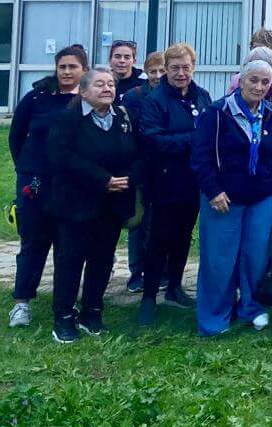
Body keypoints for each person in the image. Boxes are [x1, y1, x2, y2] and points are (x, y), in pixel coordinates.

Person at [191, 59, 272, 335]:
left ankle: (251, 307)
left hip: (265, 196)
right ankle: (214, 319)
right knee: (219, 260)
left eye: (265, 82)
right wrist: (213, 191)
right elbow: (200, 157)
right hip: (224, 197)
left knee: (257, 256)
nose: (259, 87)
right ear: (241, 80)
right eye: (254, 80)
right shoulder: (216, 112)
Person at [45, 66, 140, 342]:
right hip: (77, 203)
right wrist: (102, 179)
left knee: (102, 259)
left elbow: (139, 153)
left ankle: (92, 312)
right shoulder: (69, 118)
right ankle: (63, 316)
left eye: (110, 84)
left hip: (112, 205)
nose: (107, 88)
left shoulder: (123, 117)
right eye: (100, 84)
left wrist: (130, 178)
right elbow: (60, 156)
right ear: (84, 91)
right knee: (71, 260)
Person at [7, 44, 88, 329]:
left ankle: (65, 303)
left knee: (68, 245)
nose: (67, 72)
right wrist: (27, 168)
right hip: (36, 180)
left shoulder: (88, 100)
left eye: (73, 67)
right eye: (62, 66)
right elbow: (16, 136)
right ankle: (22, 302)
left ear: (84, 70)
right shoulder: (37, 98)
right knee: (33, 241)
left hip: (71, 184)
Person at [133, 42, 211, 324]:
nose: (181, 73)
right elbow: (153, 141)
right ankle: (149, 296)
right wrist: (192, 140)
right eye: (175, 68)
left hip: (194, 183)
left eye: (186, 67)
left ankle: (176, 288)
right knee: (158, 240)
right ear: (165, 70)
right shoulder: (155, 101)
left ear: (193, 68)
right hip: (164, 182)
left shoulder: (202, 97)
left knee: (183, 237)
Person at [121, 47, 164, 297]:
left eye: (161, 70)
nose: (157, 75)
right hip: (139, 166)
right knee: (137, 222)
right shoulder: (134, 96)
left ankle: (163, 271)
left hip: (164, 169)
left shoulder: (174, 95)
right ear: (145, 73)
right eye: (152, 71)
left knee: (158, 222)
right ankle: (136, 272)